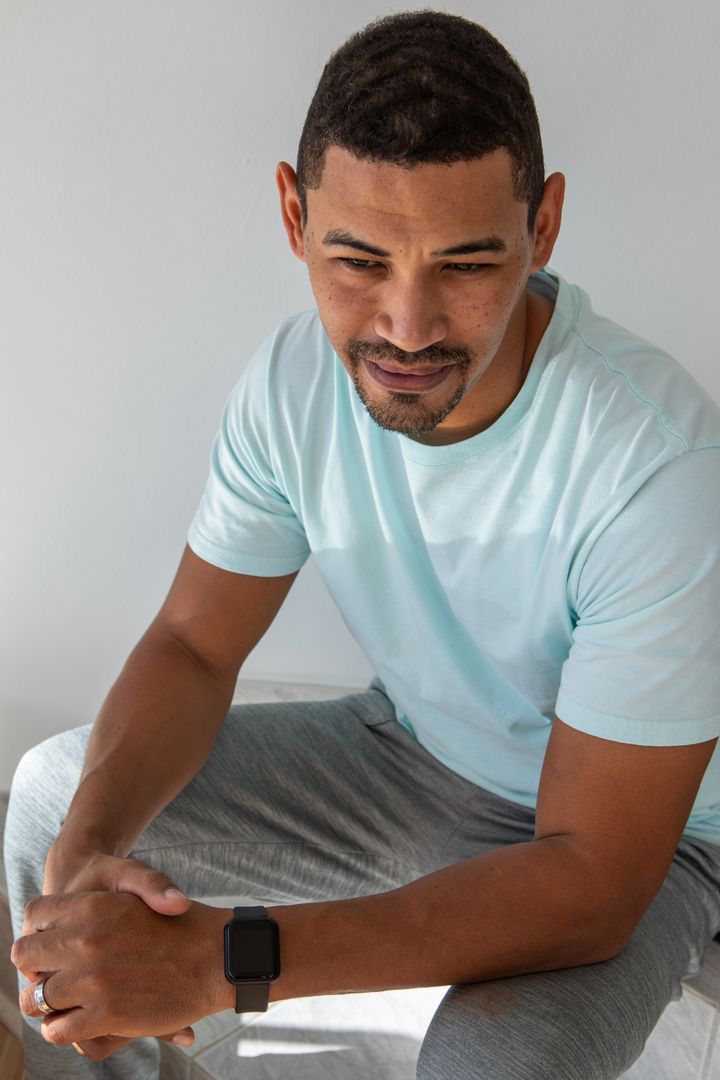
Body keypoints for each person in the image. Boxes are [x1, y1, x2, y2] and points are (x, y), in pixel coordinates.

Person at [6, 9, 720, 1079]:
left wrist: (230, 960)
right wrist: (92, 852)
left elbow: (589, 880)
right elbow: (196, 647)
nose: (408, 325)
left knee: (495, 1066)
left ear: (546, 225)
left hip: (643, 847)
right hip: (416, 760)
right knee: (57, 798)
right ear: (294, 217)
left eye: (468, 263)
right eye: (359, 259)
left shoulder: (656, 463)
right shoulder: (292, 383)